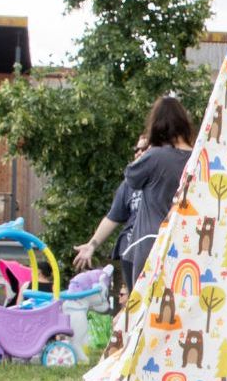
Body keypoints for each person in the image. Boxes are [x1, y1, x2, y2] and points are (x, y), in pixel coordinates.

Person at [74, 97, 195, 289]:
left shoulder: (155, 157)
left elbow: (131, 177)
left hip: (149, 243)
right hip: (185, 245)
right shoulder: (198, 160)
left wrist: (153, 148)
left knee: (141, 309)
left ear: (158, 125)